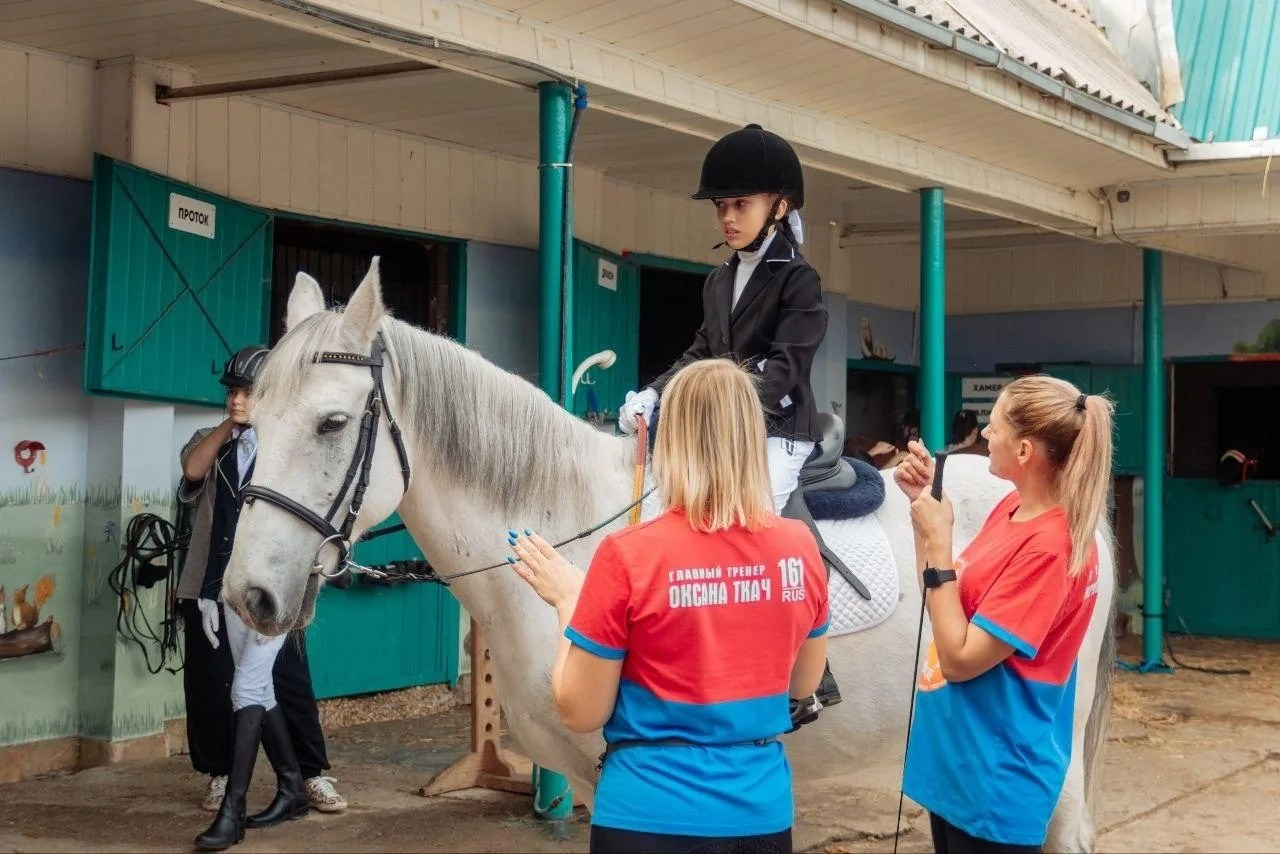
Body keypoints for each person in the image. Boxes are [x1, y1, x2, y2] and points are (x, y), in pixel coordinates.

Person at [510, 359, 829, 854]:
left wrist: (568, 603)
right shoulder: (800, 546)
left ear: (671, 438)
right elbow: (803, 684)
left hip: (645, 816)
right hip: (759, 816)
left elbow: (580, 710)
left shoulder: (627, 554)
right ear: (751, 436)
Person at [616, 122, 841, 721]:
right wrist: (655, 393)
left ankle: (813, 680)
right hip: (728, 429)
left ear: (780, 205)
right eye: (721, 206)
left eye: (741, 204)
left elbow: (788, 366)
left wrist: (723, 407)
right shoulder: (719, 280)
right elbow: (701, 353)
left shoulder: (800, 280)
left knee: (758, 524)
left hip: (778, 432)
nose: (728, 218)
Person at [893, 376, 1113, 853]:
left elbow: (959, 658)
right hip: (959, 769)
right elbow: (944, 599)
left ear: (1026, 451)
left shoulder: (1050, 548)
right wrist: (924, 514)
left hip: (994, 784)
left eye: (993, 428)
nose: (984, 435)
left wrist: (940, 539)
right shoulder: (1014, 509)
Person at [176, 346, 346, 851]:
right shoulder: (217, 441)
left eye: (247, 391)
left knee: (257, 685)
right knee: (240, 687)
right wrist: (231, 426)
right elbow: (191, 470)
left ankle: (238, 810)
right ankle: (289, 785)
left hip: (277, 588)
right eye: (231, 390)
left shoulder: (293, 449)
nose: (236, 399)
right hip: (222, 584)